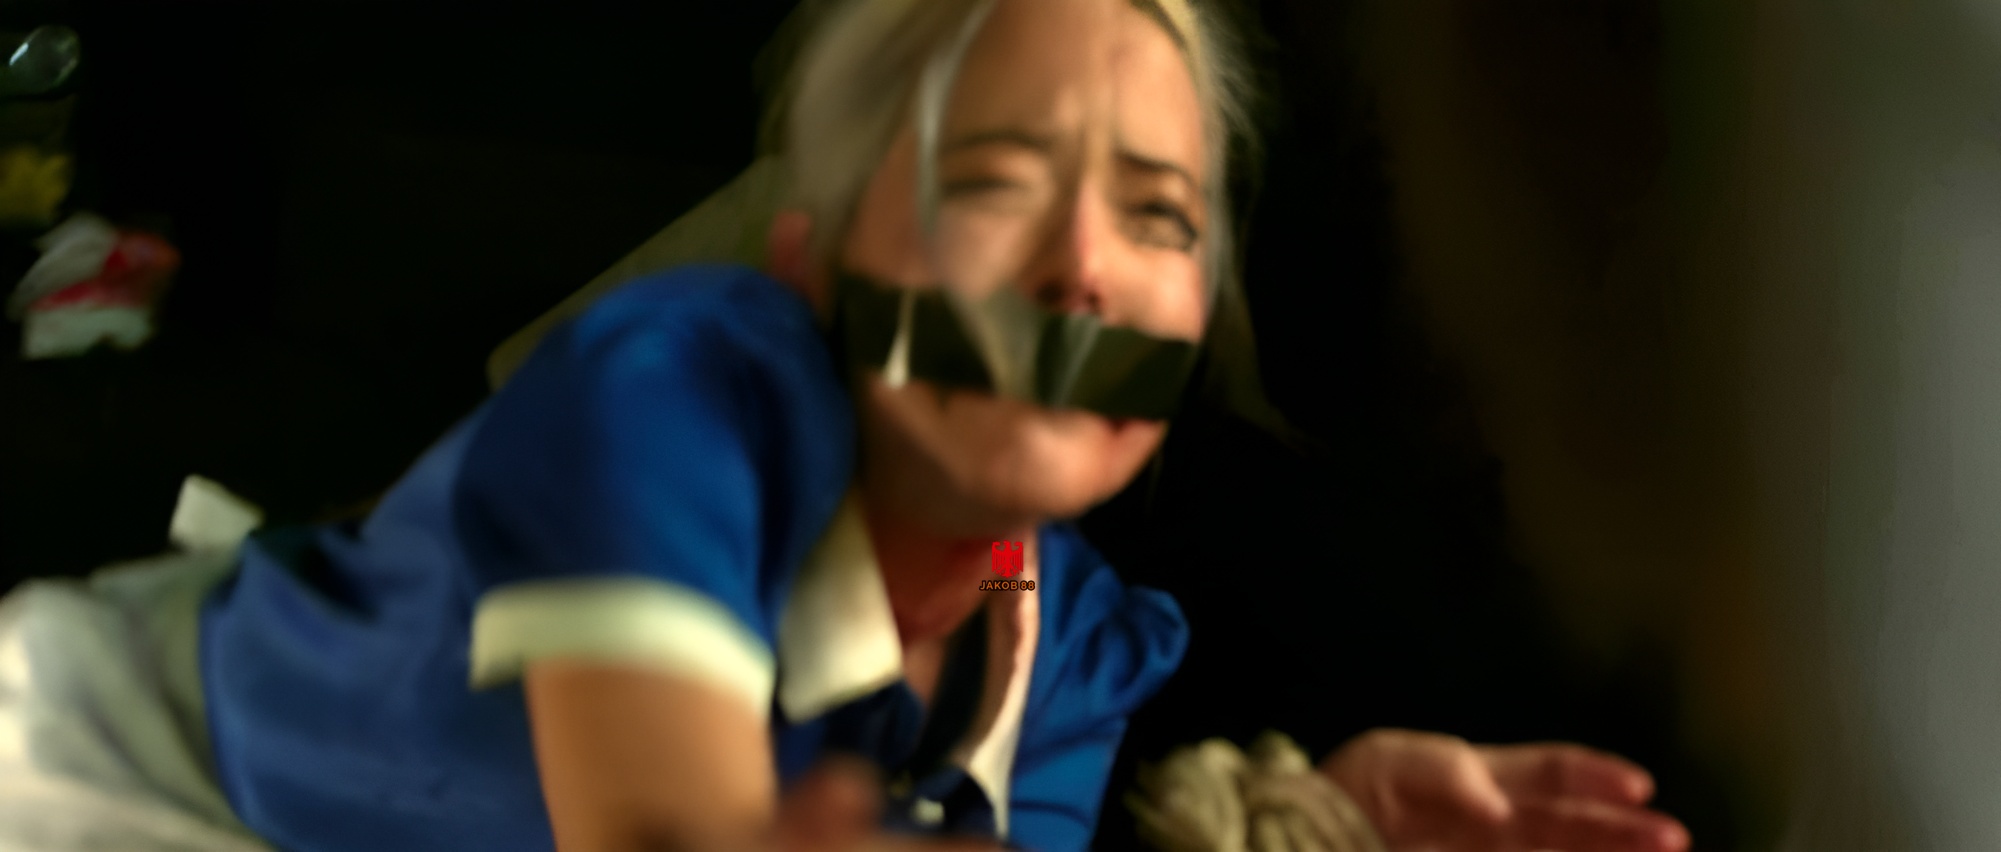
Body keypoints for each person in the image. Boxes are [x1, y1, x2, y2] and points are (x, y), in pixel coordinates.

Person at [0, 0, 1691, 850]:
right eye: (995, 182)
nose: (1083, 271)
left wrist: (1300, 820)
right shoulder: (675, 398)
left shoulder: (1073, 652)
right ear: (812, 269)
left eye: (1159, 217)